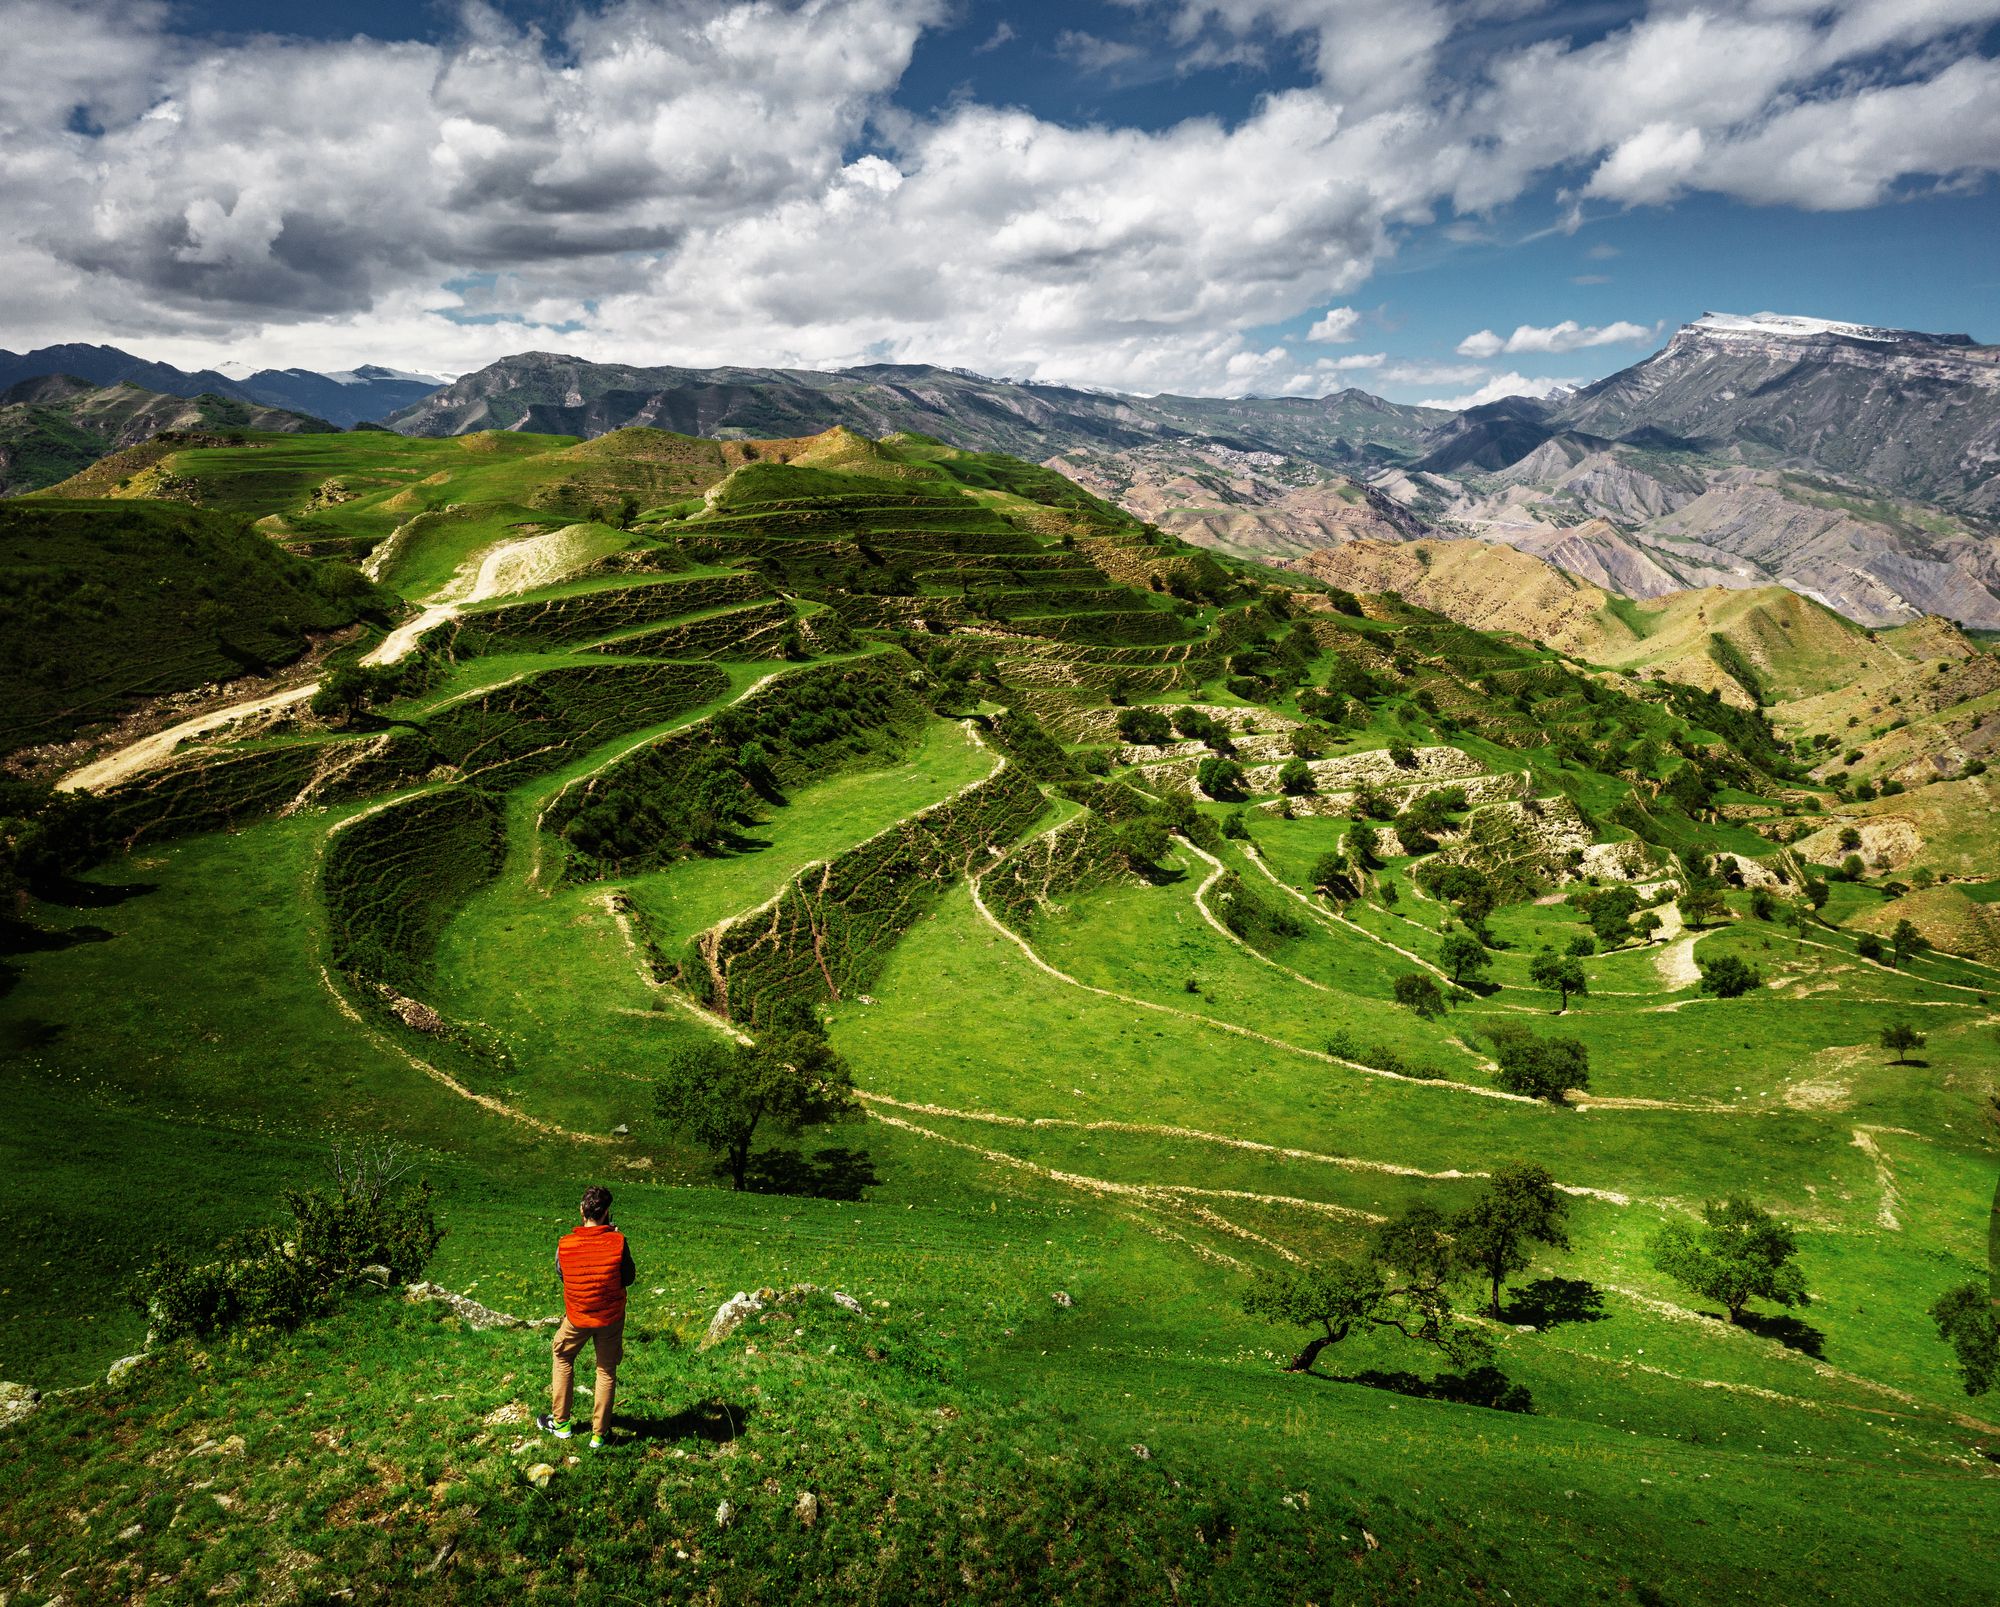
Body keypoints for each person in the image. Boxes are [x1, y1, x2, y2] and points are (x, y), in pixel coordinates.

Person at [537, 1185, 636, 1450]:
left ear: (582, 1211)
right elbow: (629, 1277)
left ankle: (561, 1424)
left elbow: (562, 1275)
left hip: (578, 1316)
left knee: (562, 1355)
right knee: (606, 1370)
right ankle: (599, 1435)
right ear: (607, 1213)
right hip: (611, 1317)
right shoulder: (618, 1241)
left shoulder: (565, 1244)